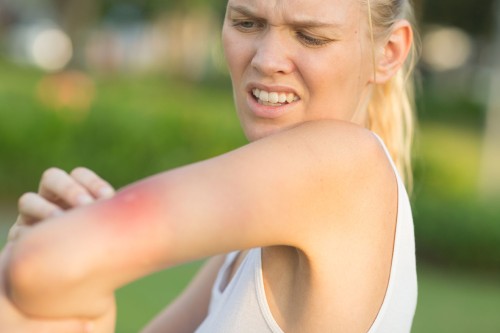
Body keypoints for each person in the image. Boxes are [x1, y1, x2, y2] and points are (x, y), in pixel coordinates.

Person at [0, 0, 419, 331]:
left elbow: (42, 264)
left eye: (310, 36)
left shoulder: (344, 161)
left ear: (389, 52)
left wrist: (50, 258)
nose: (267, 58)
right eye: (246, 23)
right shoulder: (246, 246)